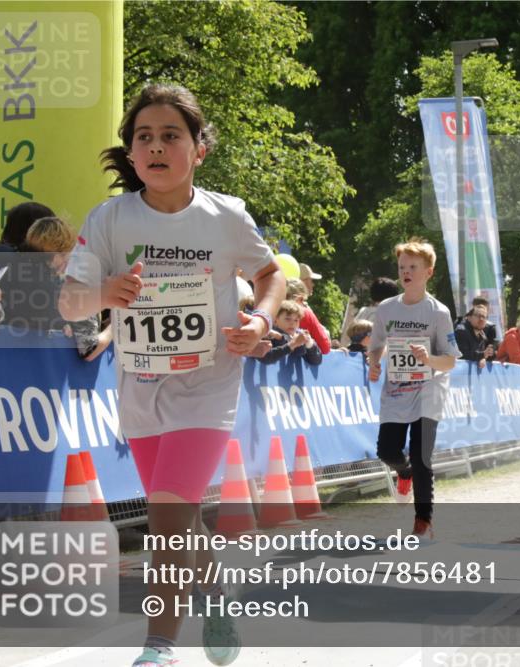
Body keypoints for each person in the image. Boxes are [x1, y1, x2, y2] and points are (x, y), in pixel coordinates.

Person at [58, 83, 286, 667]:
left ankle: (158, 647)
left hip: (209, 389)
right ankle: (215, 600)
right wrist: (105, 292)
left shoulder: (226, 215)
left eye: (170, 136)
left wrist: (260, 321)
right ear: (131, 154)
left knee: (167, 516)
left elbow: (270, 276)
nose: (156, 147)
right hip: (140, 392)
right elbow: (68, 303)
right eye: (144, 137)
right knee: (178, 516)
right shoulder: (108, 219)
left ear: (198, 149)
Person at [368, 238, 460, 539]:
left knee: (422, 456)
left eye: (413, 267)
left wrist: (428, 359)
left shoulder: (438, 312)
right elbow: (377, 346)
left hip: (429, 391)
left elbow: (449, 361)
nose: (406, 272)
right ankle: (403, 472)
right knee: (387, 450)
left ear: (428, 272)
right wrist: (374, 362)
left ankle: (423, 521)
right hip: (396, 391)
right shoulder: (385, 308)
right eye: (402, 267)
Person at [258, 300, 322, 365]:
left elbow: (316, 361)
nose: (292, 323)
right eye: (288, 319)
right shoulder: (269, 334)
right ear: (275, 320)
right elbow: (266, 357)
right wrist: (291, 342)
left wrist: (310, 344)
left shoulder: (299, 335)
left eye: (296, 320)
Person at [286, 278, 331, 354]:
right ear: (299, 298)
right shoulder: (305, 313)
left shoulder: (270, 309)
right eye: (303, 300)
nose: (304, 304)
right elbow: (325, 348)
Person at [454, 303, 496, 368]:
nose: (481, 319)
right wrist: (483, 355)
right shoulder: (461, 331)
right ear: (469, 318)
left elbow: (480, 354)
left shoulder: (482, 335)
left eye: (484, 317)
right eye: (478, 316)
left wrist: (485, 357)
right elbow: (462, 355)